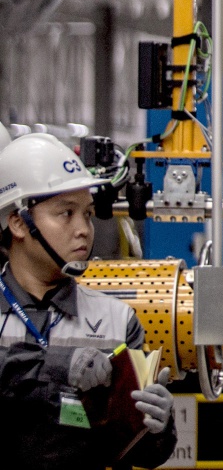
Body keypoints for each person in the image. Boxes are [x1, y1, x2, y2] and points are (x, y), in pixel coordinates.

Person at [0, 132, 177, 469]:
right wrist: (59, 365)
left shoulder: (115, 320)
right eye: (66, 214)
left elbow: (141, 453)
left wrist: (158, 429)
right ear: (18, 223)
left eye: (88, 213)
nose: (84, 229)